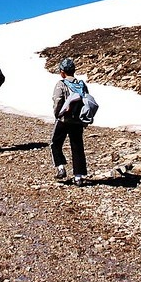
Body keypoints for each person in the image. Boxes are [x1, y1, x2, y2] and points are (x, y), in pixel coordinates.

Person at [51, 58, 90, 186]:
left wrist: (57, 114)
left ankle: (61, 167)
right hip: (78, 120)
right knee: (77, 146)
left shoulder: (61, 84)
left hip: (64, 119)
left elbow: (57, 101)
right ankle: (78, 176)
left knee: (56, 143)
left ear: (62, 72)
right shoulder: (81, 84)